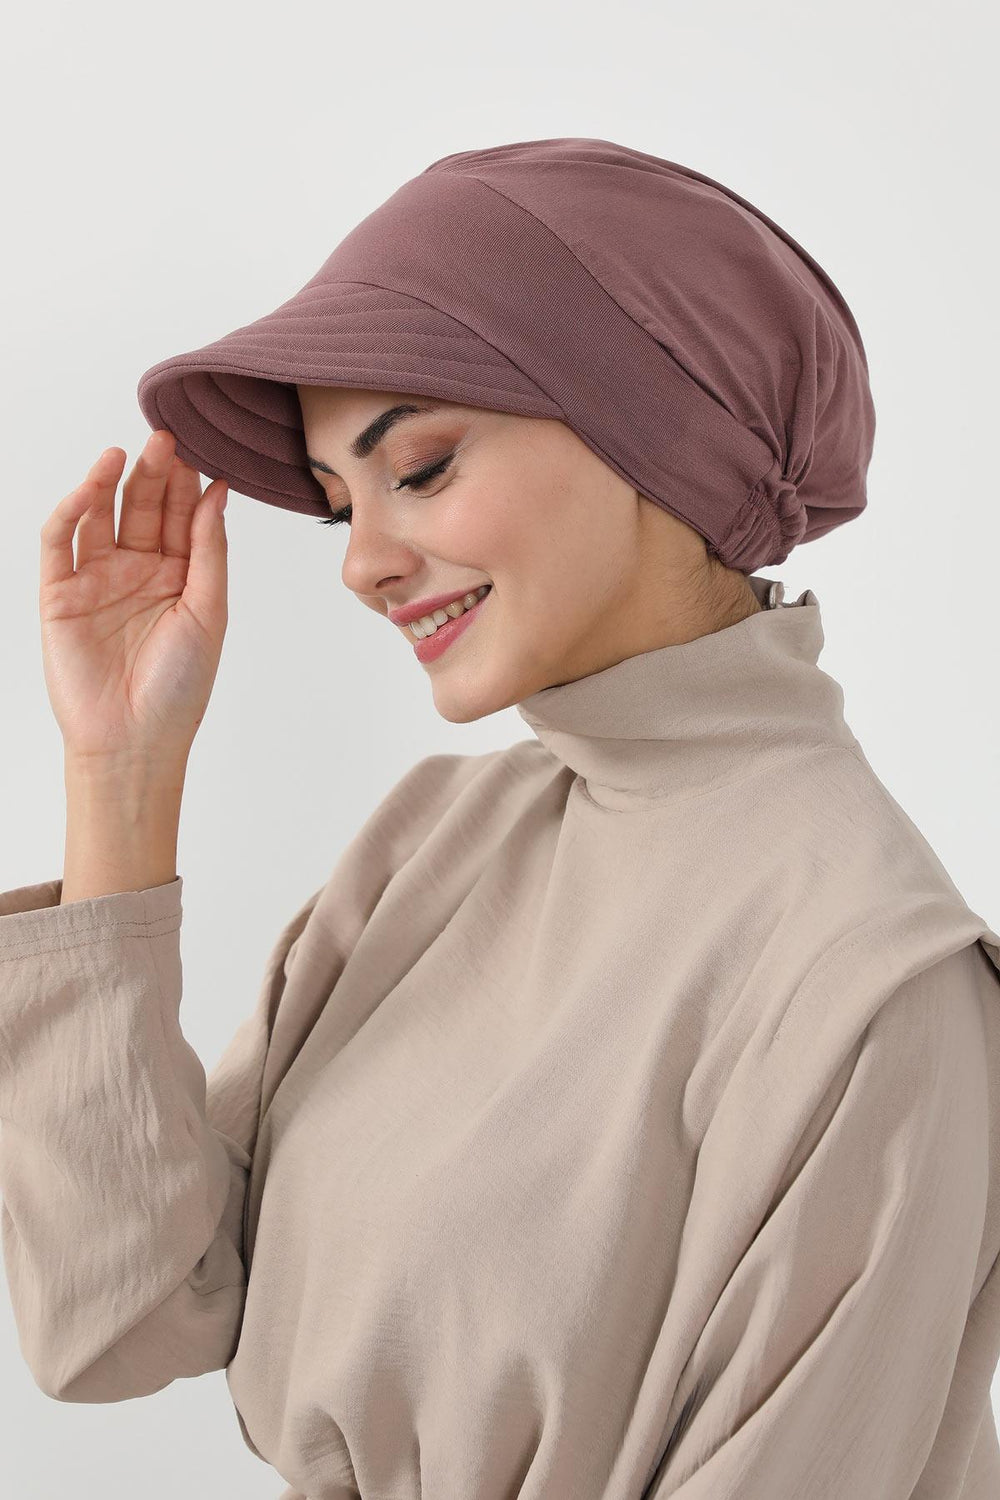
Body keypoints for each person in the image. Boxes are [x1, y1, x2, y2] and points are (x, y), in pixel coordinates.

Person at [1, 137, 999, 1500]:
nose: (362, 563)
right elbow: (121, 1316)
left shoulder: (874, 981)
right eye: (339, 507)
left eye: (418, 469)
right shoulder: (438, 843)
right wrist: (119, 776)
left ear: (653, 432)